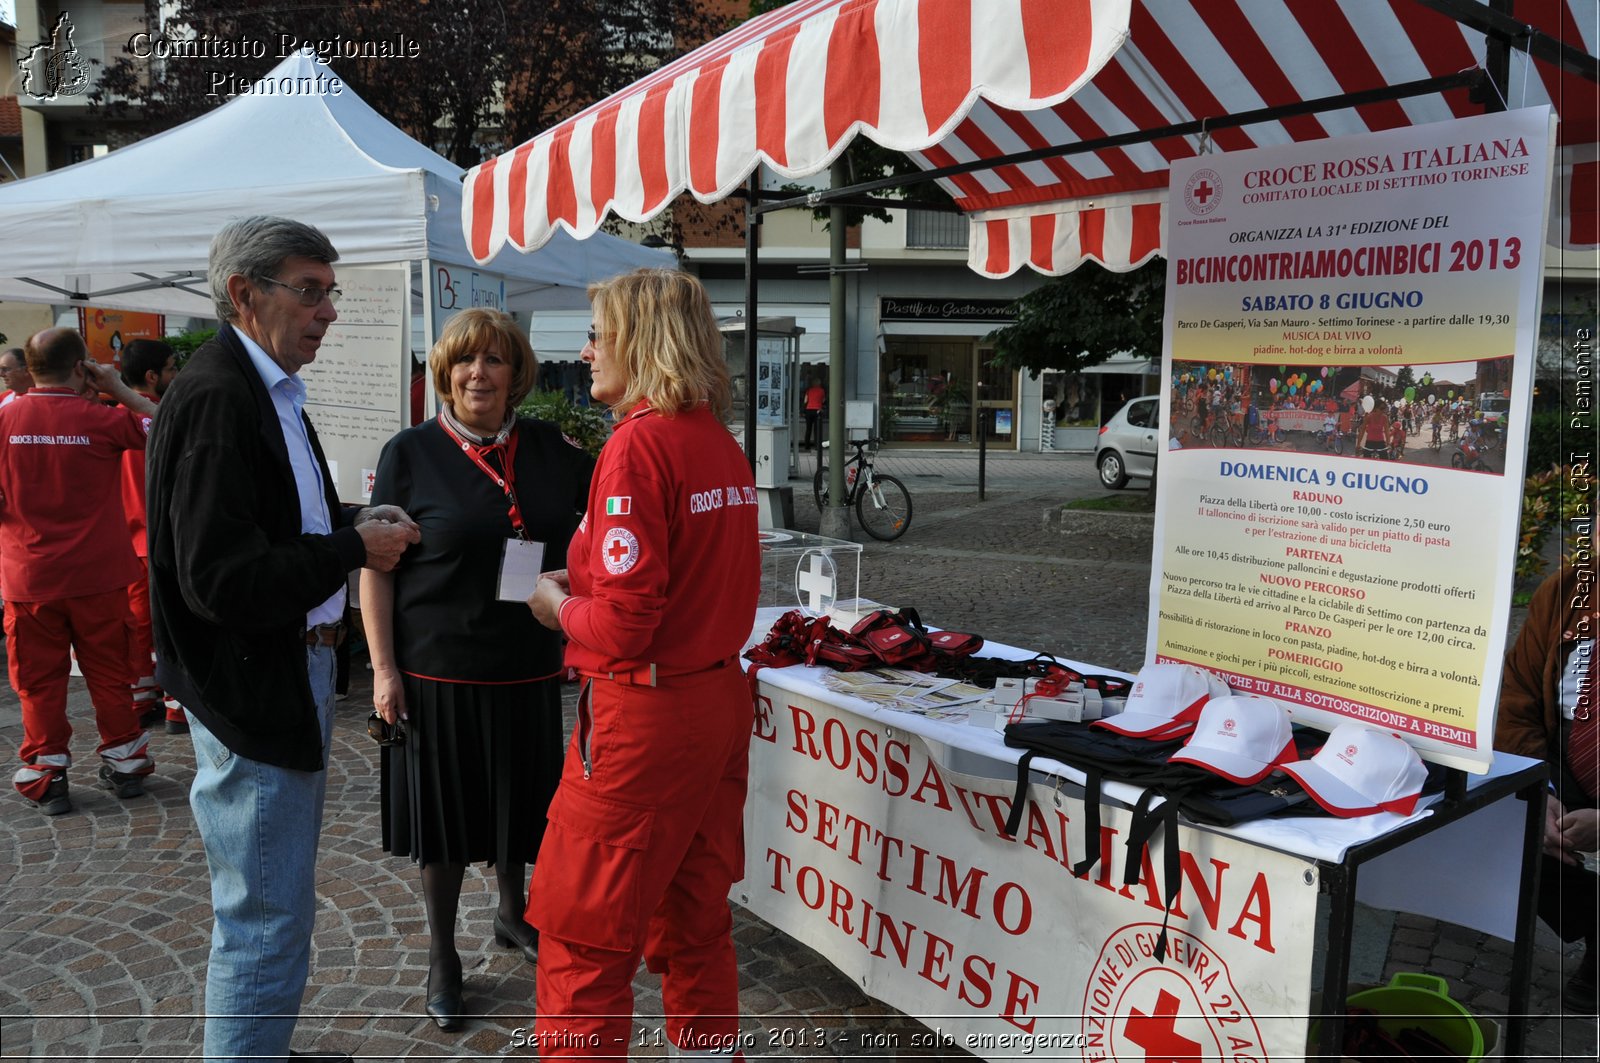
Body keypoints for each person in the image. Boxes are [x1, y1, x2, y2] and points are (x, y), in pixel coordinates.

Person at [145, 216, 419, 1063]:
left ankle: (257, 1047)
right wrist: (350, 548)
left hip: (279, 674)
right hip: (254, 684)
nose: (328, 311)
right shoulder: (222, 397)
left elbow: (266, 525)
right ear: (244, 293)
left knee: (271, 903)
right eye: (310, 290)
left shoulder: (260, 390)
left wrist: (346, 522)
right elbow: (219, 579)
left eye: (329, 292)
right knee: (263, 913)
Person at [528, 269, 759, 1057]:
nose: (586, 350)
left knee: (582, 939)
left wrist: (556, 604)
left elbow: (626, 626)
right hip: (716, 702)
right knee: (695, 923)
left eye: (599, 333)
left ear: (642, 340)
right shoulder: (715, 441)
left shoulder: (641, 443)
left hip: (648, 717)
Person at [362, 308, 592, 1031]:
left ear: (517, 372)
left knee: (520, 806)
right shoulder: (410, 452)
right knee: (445, 821)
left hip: (526, 665)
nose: (478, 374)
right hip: (438, 669)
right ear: (444, 372)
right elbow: (375, 568)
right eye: (464, 362)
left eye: (494, 360)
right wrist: (382, 670)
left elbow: (604, 528)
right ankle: (442, 954)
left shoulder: (554, 448)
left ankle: (511, 913)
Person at [0, 328, 158, 815]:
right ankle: (126, 761)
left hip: (29, 577)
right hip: (99, 576)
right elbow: (171, 424)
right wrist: (119, 389)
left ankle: (47, 773)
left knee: (38, 680)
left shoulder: (4, 416)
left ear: (30, 366)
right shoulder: (102, 418)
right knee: (111, 674)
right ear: (81, 366)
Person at [1497, 566, 1599, 1014]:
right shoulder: (1569, 588)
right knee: (1500, 822)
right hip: (1564, 751)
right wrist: (1540, 789)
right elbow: (1516, 697)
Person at [117, 339, 185, 734]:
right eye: (173, 368)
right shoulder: (156, 418)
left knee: (139, 629)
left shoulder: (109, 419)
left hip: (126, 544)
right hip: (162, 539)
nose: (176, 376)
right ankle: (176, 706)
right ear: (151, 376)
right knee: (170, 626)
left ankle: (144, 700)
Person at [802, 375, 825, 450]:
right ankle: (817, 446)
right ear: (819, 383)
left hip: (809, 410)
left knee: (808, 429)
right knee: (816, 429)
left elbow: (805, 401)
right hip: (817, 410)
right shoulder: (822, 390)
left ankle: (806, 445)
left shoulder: (809, 390)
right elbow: (823, 400)